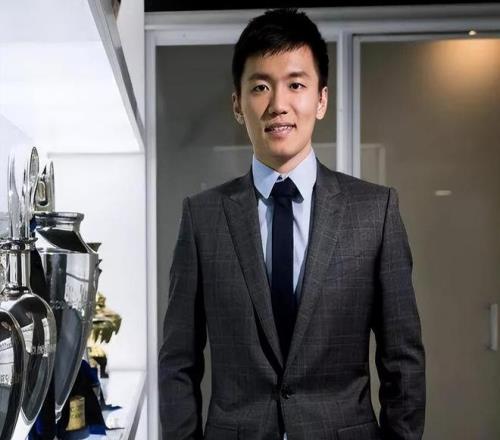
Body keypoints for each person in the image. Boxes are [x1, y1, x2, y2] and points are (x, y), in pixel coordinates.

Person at [158, 8, 425, 440]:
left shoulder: (375, 212)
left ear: (321, 99)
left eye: (296, 85)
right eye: (260, 86)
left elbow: (403, 362)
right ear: (237, 104)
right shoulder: (202, 217)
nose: (278, 104)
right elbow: (177, 362)